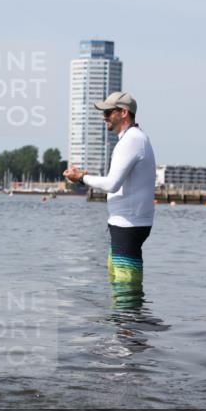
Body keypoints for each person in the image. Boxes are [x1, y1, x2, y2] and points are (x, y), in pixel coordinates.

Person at [63, 91, 156, 288]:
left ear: (124, 113)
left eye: (108, 112)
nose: (104, 117)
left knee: (125, 285)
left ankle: (130, 318)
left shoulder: (132, 140)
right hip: (126, 223)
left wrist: (81, 178)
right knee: (118, 282)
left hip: (129, 224)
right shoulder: (133, 138)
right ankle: (125, 318)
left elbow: (112, 184)